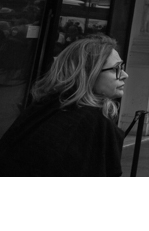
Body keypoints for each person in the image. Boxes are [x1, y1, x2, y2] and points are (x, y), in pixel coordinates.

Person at [0, 34, 127, 176]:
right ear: (88, 73)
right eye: (115, 69)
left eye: (122, 67)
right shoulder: (91, 123)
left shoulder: (44, 107)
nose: (124, 75)